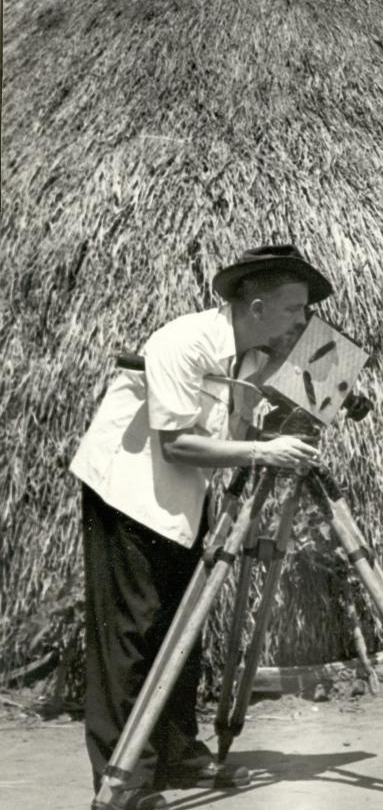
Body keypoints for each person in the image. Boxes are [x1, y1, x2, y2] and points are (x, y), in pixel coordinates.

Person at [71, 245, 333, 810]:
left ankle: (179, 752)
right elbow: (178, 443)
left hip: (184, 506)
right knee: (130, 640)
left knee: (180, 634)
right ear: (256, 305)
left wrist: (324, 394)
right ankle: (125, 781)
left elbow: (266, 413)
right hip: (129, 498)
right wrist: (263, 452)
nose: (302, 323)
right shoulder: (182, 341)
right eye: (294, 310)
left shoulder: (253, 354)